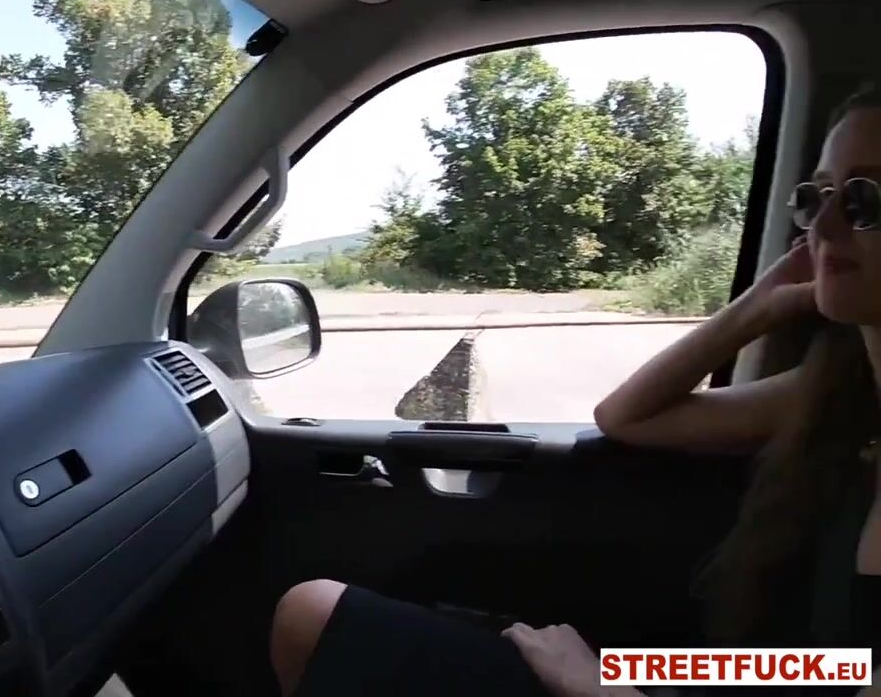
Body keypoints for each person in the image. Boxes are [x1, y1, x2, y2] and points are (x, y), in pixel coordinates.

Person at [268, 83, 881, 697]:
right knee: (337, 613)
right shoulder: (840, 393)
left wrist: (593, 683)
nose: (824, 227)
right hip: (771, 674)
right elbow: (627, 417)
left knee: (314, 616)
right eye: (817, 197)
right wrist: (758, 305)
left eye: (864, 200)